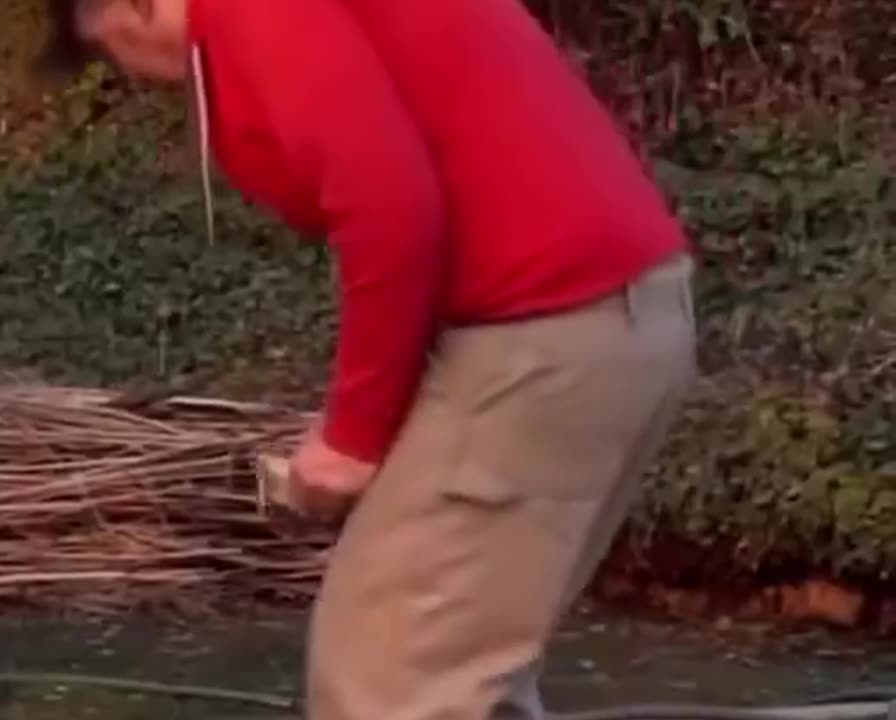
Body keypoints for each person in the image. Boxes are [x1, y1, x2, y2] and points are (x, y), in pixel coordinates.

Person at [45, 1, 698, 718]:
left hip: (547, 330)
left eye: (108, 53)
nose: (134, 78)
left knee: (384, 677)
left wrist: (353, 438)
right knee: (466, 676)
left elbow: (388, 203)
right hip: (618, 323)